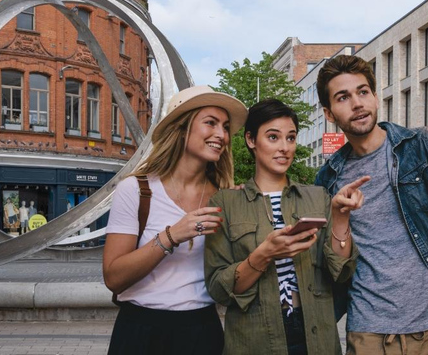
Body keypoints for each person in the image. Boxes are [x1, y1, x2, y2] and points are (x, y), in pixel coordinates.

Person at [314, 55, 428, 354]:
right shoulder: (327, 179)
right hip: (368, 325)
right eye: (343, 97)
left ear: (375, 97)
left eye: (363, 92)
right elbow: (333, 264)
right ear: (329, 112)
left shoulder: (422, 144)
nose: (357, 103)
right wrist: (339, 217)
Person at [205, 99, 365, 355]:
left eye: (290, 138)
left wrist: (341, 216)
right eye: (273, 137)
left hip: (317, 339)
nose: (284, 147)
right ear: (251, 140)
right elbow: (218, 287)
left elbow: (341, 273)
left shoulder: (318, 197)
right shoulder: (226, 203)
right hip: (255, 341)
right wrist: (263, 254)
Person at [103, 85, 248, 355]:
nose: (221, 134)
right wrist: (172, 235)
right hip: (139, 330)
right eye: (211, 123)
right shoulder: (136, 190)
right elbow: (113, 277)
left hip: (201, 330)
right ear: (182, 129)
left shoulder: (225, 199)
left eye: (225, 127)